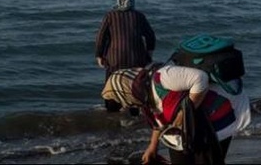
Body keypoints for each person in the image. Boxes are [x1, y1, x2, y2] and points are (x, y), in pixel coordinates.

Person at [101, 62, 250, 164]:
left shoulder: (162, 77)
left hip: (214, 121)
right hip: (183, 131)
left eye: (120, 97)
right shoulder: (144, 95)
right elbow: (158, 119)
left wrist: (184, 114)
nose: (124, 103)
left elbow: (201, 79)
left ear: (124, 91)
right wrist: (153, 146)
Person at [95, 0, 157, 112]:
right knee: (135, 85)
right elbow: (150, 36)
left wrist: (99, 55)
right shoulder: (139, 16)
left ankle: (112, 111)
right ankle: (134, 114)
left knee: (112, 84)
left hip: (114, 59)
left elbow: (100, 37)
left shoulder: (110, 16)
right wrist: (149, 53)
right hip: (137, 58)